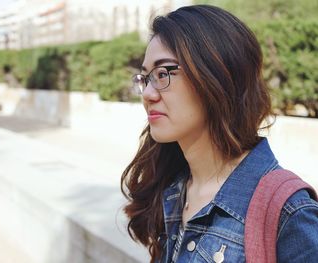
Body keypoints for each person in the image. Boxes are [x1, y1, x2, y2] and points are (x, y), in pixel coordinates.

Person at [121, 4, 318, 263]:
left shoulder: (289, 213)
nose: (148, 93)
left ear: (216, 76)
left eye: (162, 73)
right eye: (145, 78)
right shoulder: (171, 190)